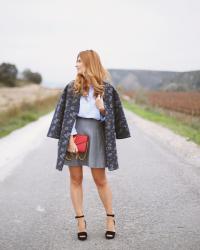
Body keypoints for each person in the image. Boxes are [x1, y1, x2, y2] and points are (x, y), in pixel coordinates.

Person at [47, 49, 131, 241]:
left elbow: (113, 121)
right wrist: (68, 137)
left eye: (79, 61)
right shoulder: (72, 88)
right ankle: (80, 221)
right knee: (75, 179)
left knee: (100, 179)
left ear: (89, 63)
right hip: (75, 135)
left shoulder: (107, 90)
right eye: (76, 61)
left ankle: (110, 219)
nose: (76, 64)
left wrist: (102, 109)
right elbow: (65, 116)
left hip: (98, 134)